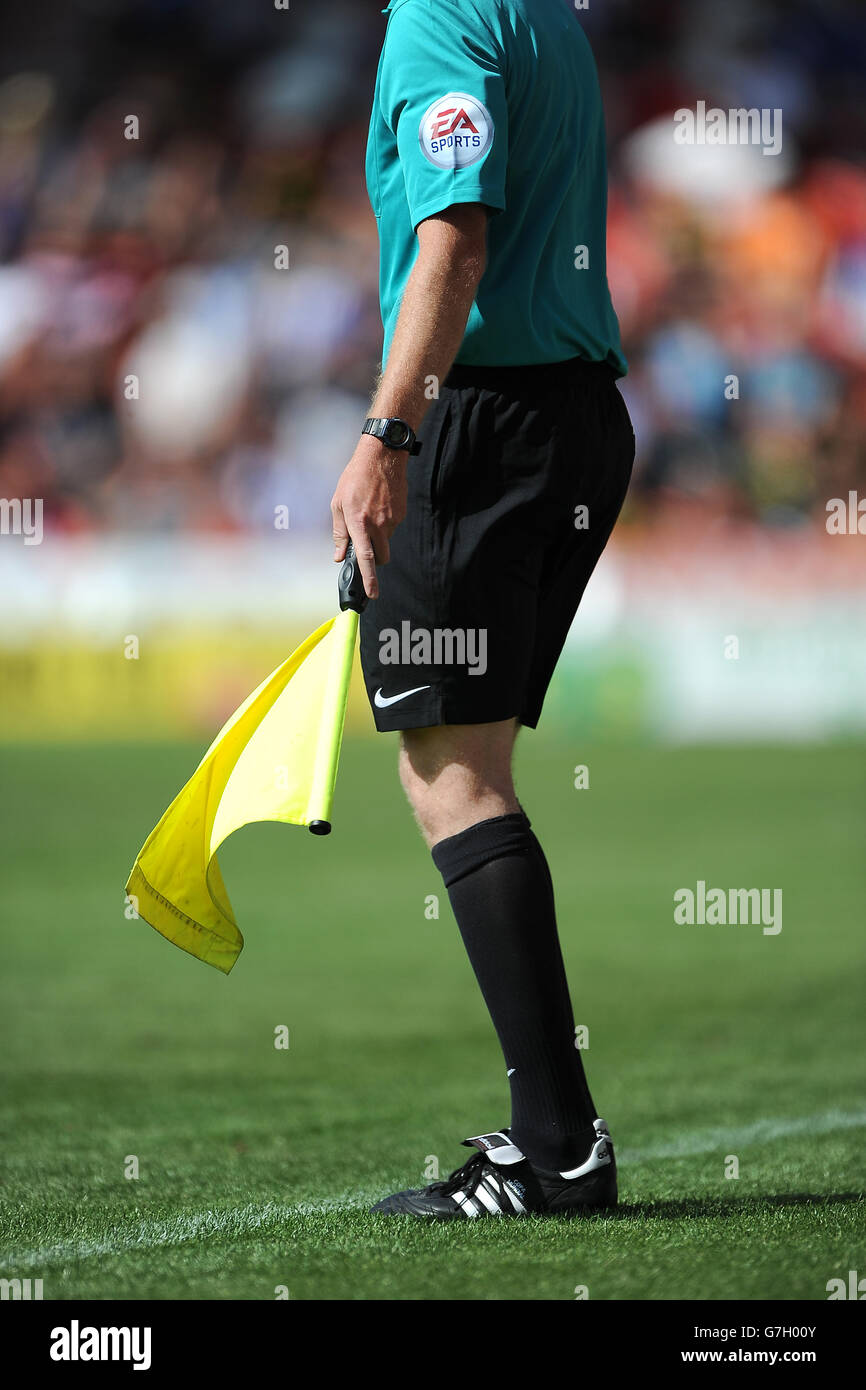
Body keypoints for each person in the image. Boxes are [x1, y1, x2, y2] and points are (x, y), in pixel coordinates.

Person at [330, 0, 634, 1219]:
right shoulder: (544, 17)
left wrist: (389, 430)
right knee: (472, 761)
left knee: (449, 772)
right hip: (569, 420)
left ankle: (557, 1149)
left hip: (478, 432)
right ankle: (554, 1141)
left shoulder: (440, 18)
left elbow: (454, 232)